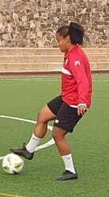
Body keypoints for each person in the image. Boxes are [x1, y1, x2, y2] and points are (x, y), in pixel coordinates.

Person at [10, 22, 92, 181]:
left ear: (67, 39)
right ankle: (29, 150)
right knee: (43, 115)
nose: (57, 44)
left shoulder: (75, 58)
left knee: (57, 134)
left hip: (75, 103)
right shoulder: (70, 52)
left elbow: (83, 81)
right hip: (66, 97)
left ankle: (70, 170)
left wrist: (82, 102)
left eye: (59, 40)